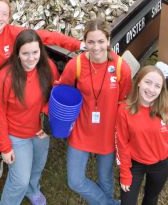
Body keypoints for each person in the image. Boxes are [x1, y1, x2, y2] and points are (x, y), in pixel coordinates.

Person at [0, 0, 82, 184]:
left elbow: (45, 36)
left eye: (4, 14)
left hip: (7, 98)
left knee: (2, 131)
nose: (0, 18)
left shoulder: (13, 33)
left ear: (9, 17)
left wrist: (77, 45)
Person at [56, 19, 132, 205]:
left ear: (108, 41)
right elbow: (62, 92)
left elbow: (124, 102)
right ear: (85, 42)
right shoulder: (76, 65)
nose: (96, 47)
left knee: (105, 180)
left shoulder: (122, 68)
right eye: (91, 42)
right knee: (75, 180)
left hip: (107, 132)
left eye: (100, 41)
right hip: (81, 131)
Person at [0, 29, 59, 205]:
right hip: (16, 136)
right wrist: (4, 147)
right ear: (17, 53)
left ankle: (32, 189)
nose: (31, 58)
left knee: (37, 168)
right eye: (25, 53)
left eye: (35, 52)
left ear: (40, 51)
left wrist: (47, 120)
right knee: (19, 180)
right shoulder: (4, 78)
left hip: (40, 133)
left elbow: (54, 96)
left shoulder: (48, 67)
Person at [115, 66, 168, 205]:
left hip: (160, 165)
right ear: (139, 82)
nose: (151, 89)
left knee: (151, 199)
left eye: (157, 86)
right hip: (135, 164)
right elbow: (122, 144)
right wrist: (125, 173)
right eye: (148, 82)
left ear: (161, 90)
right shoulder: (124, 109)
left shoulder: (166, 108)